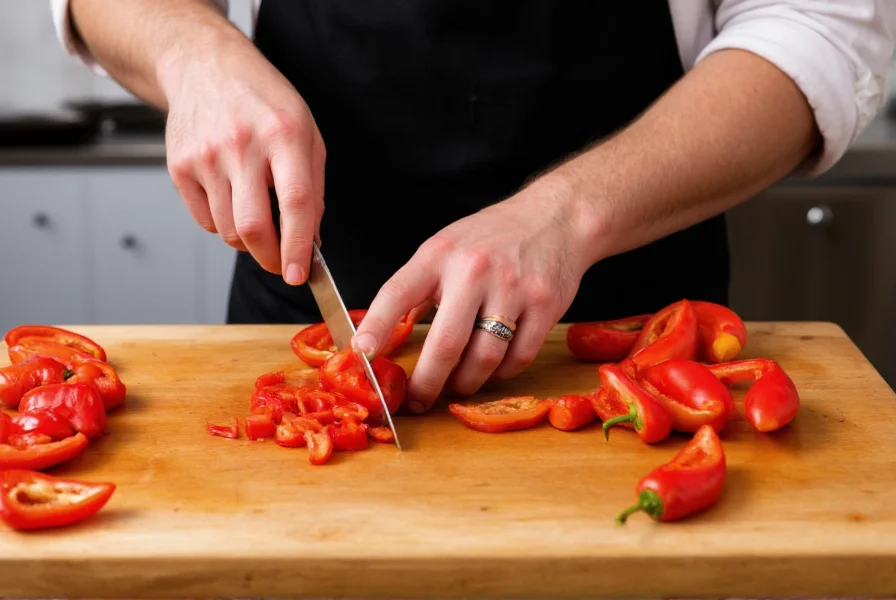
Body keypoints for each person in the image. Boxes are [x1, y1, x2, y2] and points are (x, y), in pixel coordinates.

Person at [52, 1, 896, 414]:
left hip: (625, 341)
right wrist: (194, 52)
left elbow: (822, 24)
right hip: (312, 314)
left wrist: (570, 213)